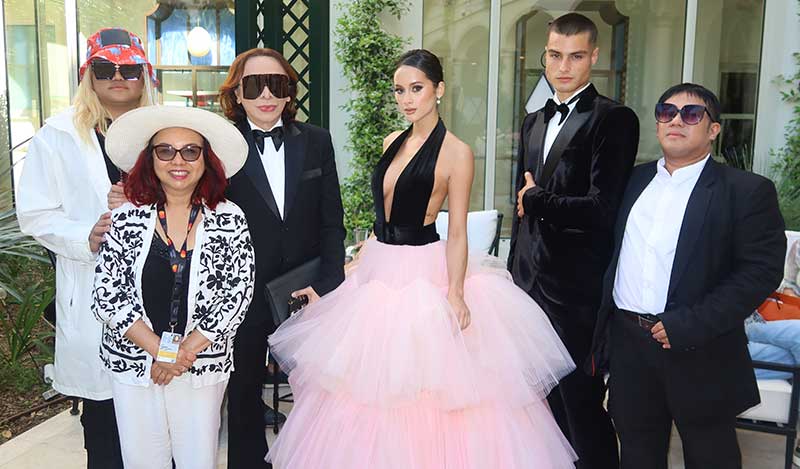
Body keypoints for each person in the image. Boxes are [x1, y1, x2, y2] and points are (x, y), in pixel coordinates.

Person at [265, 49, 577, 469]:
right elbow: (382, 220)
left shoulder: (457, 153)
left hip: (423, 269)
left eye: (417, 89)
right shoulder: (392, 141)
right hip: (378, 268)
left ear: (438, 90)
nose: (407, 99)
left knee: (429, 390)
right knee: (361, 390)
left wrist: (456, 291)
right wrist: (354, 266)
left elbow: (459, 231)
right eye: (399, 90)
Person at [590, 83, 786, 469]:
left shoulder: (746, 191)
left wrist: (691, 324)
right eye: (666, 112)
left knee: (710, 456)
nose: (676, 120)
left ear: (713, 129)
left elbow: (760, 272)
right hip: (629, 347)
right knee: (637, 455)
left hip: (701, 348)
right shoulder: (631, 181)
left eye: (691, 114)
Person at [15, 27, 157, 469]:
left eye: (129, 67)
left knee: (159, 418)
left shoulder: (165, 129)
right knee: (105, 420)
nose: (118, 76)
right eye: (105, 67)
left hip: (159, 287)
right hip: (95, 290)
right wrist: (84, 235)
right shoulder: (58, 134)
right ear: (88, 75)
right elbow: (36, 213)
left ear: (144, 74)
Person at [507, 13, 639, 468]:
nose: (564, 67)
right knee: (537, 408)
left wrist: (539, 200)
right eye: (555, 56)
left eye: (576, 56)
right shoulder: (532, 121)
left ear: (594, 57)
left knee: (580, 406)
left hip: (577, 294)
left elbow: (603, 210)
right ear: (544, 55)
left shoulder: (614, 119)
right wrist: (512, 277)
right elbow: (521, 210)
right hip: (527, 287)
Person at [92, 105, 255, 469]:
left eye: (190, 150)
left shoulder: (230, 217)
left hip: (200, 363)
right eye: (165, 150)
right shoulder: (125, 217)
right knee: (142, 460)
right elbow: (108, 293)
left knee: (197, 460)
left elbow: (236, 293)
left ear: (205, 160)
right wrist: (162, 351)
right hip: (135, 363)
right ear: (149, 160)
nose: (177, 159)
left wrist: (181, 353)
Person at [219, 48, 346, 468]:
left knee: (318, 396)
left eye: (278, 83)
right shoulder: (217, 146)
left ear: (290, 91)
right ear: (237, 92)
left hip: (304, 292)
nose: (267, 94)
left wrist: (328, 287)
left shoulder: (317, 141)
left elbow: (332, 222)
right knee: (242, 398)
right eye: (255, 84)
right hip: (241, 295)